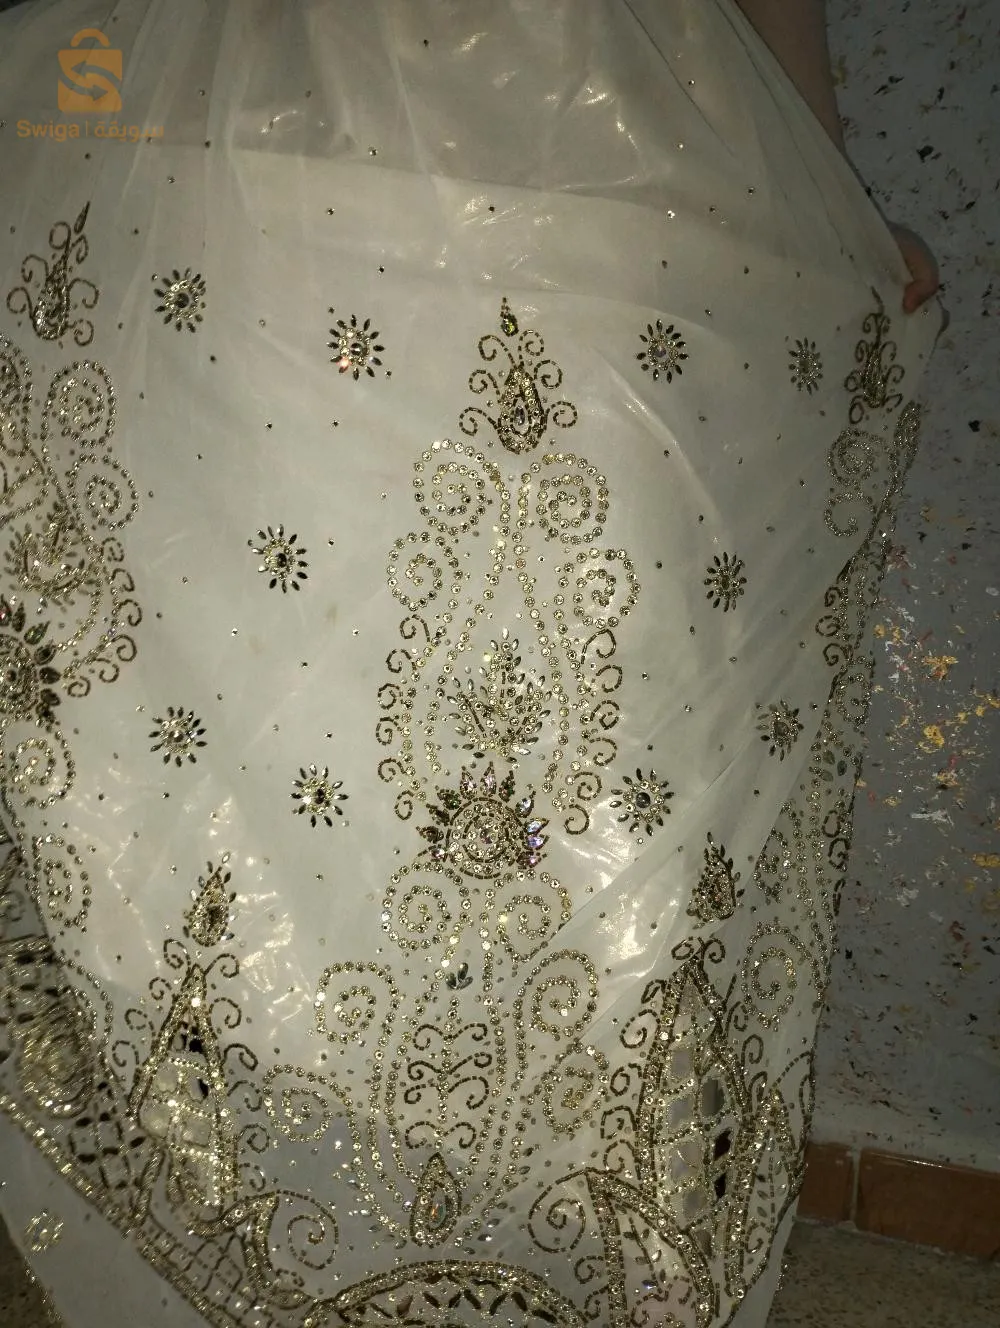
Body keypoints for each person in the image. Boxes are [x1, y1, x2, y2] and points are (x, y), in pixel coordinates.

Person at [0, 2, 943, 1326]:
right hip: (261, 112)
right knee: (244, 726)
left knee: (616, 758)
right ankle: (261, 1249)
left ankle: (597, 1254)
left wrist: (828, 195)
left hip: (588, 126)